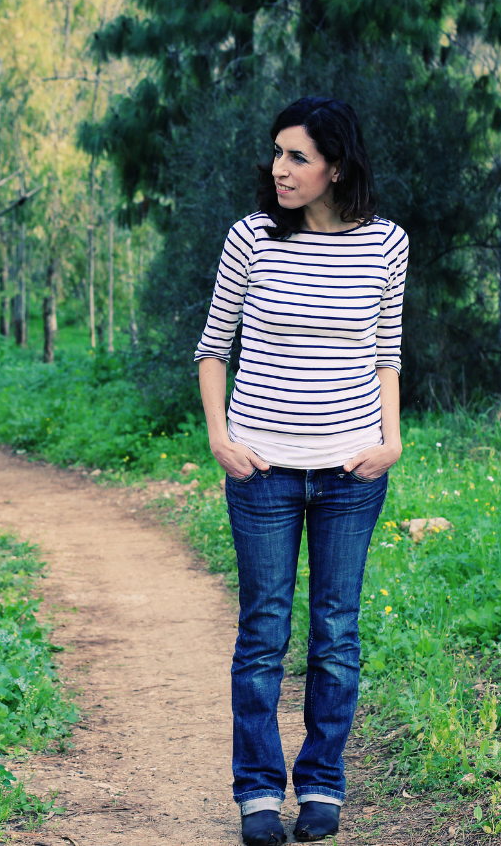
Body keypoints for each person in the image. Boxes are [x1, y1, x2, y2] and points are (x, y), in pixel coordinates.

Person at [194, 96, 408, 845]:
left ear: (336, 168)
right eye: (277, 153)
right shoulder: (252, 238)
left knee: (336, 635)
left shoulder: (386, 244)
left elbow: (387, 351)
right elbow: (213, 347)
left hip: (353, 471)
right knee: (262, 633)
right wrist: (221, 438)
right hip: (263, 472)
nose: (279, 169)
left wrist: (394, 440)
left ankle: (320, 783)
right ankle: (257, 793)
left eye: (298, 157)